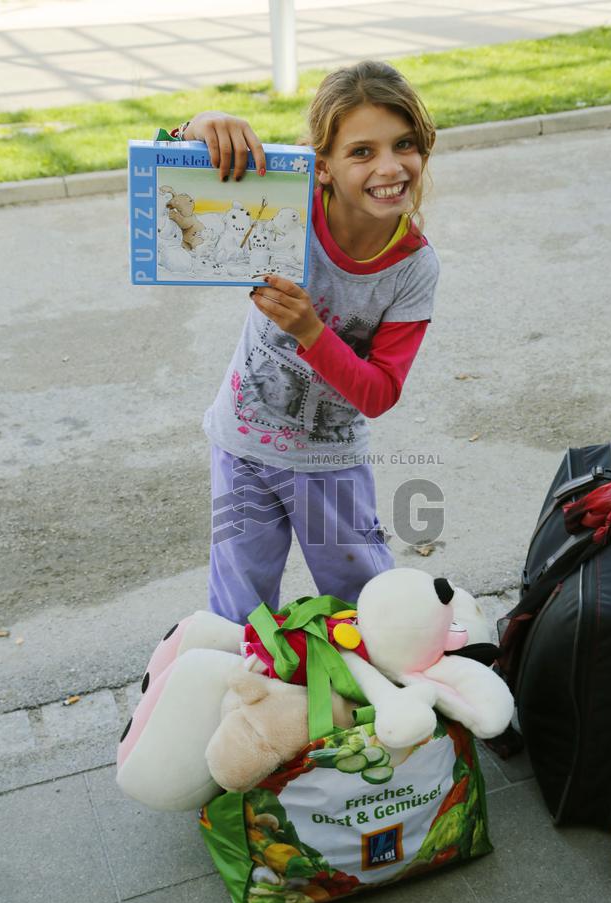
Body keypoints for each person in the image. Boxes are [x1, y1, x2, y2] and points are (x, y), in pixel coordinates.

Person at [178, 60, 440, 624]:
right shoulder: (287, 202)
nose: (390, 167)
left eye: (405, 145)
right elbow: (177, 185)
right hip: (241, 446)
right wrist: (203, 123)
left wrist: (310, 333)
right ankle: (248, 708)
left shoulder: (413, 268)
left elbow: (379, 393)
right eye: (362, 152)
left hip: (330, 462)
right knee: (237, 618)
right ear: (321, 166)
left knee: (367, 610)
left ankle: (374, 709)